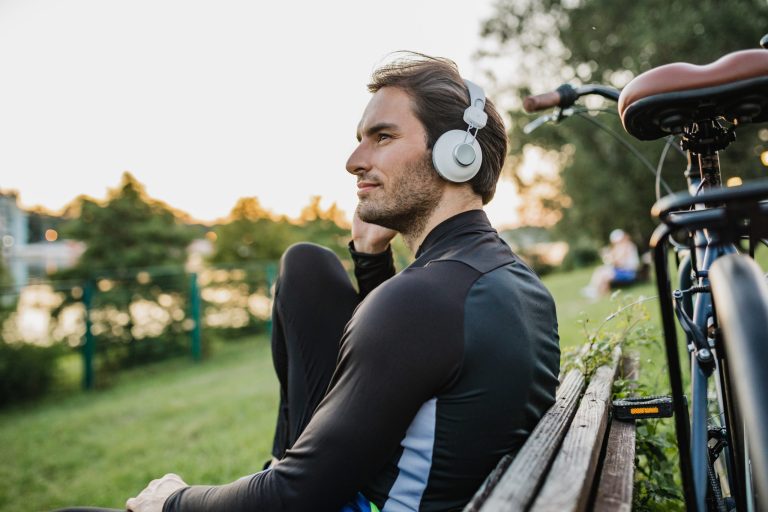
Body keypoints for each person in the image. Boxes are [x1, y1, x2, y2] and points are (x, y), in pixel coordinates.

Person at [115, 53, 560, 512]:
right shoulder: (513, 283)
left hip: (343, 500)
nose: (353, 161)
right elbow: (406, 359)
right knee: (307, 266)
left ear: (456, 154)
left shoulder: (424, 300)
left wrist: (172, 502)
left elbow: (294, 495)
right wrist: (371, 259)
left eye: (382, 137)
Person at [581, 228, 641, 299]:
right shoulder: (624, 246)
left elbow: (618, 263)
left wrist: (608, 257)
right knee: (600, 270)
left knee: (604, 274)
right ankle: (596, 291)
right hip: (624, 270)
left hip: (628, 272)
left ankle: (595, 291)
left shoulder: (626, 246)